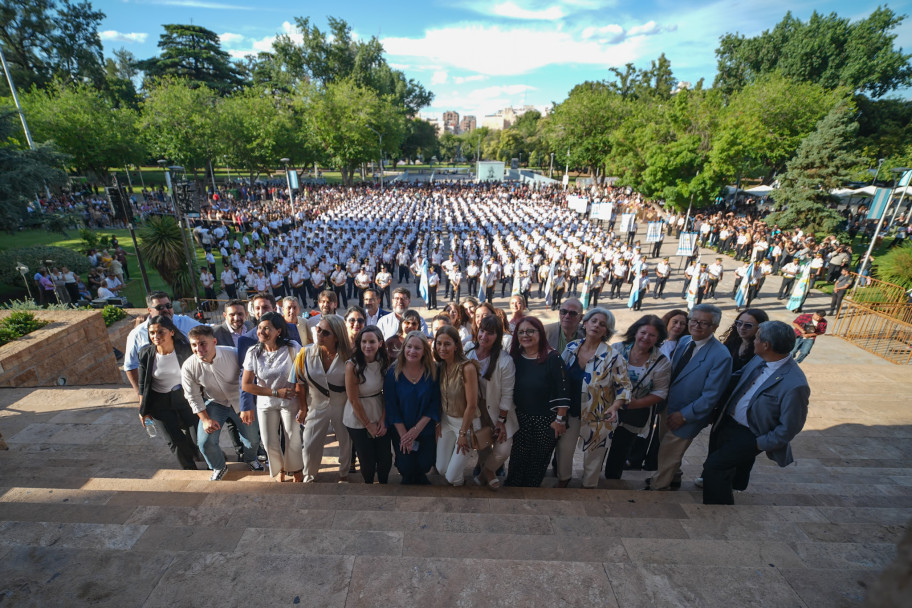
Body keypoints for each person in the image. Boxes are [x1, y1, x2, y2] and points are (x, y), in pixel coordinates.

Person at [703, 321, 810, 505]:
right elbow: (738, 378)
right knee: (724, 467)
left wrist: (760, 444)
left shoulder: (795, 384)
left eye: (757, 338)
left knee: (714, 466)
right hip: (728, 423)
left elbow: (790, 426)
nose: (754, 341)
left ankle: (718, 510)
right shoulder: (760, 358)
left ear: (766, 345)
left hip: (751, 435)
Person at [648, 303, 732, 491]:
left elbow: (711, 396)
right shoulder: (685, 341)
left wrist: (684, 415)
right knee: (666, 448)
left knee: (669, 452)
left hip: (688, 414)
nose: (697, 325)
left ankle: (658, 487)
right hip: (667, 406)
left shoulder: (720, 356)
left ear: (715, 327)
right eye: (694, 320)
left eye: (704, 323)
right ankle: (674, 477)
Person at [555, 308, 632, 488]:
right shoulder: (571, 347)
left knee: (594, 458)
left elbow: (624, 387)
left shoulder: (614, 357)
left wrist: (615, 407)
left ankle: (588, 487)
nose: (597, 325)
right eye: (594, 321)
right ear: (585, 323)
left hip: (599, 417)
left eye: (602, 324)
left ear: (607, 331)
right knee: (564, 451)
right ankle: (563, 480)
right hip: (571, 413)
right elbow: (559, 377)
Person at [182, 325, 263, 481]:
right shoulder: (188, 366)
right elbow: (192, 395)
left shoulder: (233, 354)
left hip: (240, 402)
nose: (198, 349)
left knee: (253, 439)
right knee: (205, 442)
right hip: (215, 403)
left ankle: (250, 459)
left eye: (202, 343)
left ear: (214, 342)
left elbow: (250, 378)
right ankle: (219, 466)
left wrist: (249, 405)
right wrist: (205, 419)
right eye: (193, 345)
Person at [504, 316, 570, 488]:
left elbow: (563, 390)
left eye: (530, 331)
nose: (526, 335)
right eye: (521, 332)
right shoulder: (516, 358)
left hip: (546, 421)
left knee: (537, 460)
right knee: (518, 458)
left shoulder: (553, 358)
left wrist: (560, 420)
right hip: (521, 418)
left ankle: (531, 492)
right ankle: (513, 491)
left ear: (540, 333)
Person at [604, 315, 671, 479]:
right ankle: (591, 480)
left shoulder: (661, 362)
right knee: (598, 447)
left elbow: (661, 392)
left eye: (652, 335)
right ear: (635, 332)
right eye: (643, 332)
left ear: (658, 338)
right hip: (607, 409)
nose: (646, 338)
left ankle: (612, 483)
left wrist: (636, 403)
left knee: (620, 451)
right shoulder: (617, 348)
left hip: (633, 413)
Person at [241, 312, 303, 482]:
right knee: (269, 440)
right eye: (259, 328)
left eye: (267, 328)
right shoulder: (253, 352)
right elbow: (246, 384)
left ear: (279, 331)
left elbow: (301, 376)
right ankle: (280, 469)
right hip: (266, 402)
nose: (261, 331)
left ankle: (296, 470)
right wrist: (275, 392)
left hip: (290, 401)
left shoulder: (292, 347)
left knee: (293, 437)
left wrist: (303, 405)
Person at [291, 314, 352, 483]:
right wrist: (303, 408)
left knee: (345, 442)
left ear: (337, 337)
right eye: (318, 329)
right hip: (316, 406)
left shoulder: (349, 356)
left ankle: (344, 474)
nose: (319, 334)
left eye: (326, 333)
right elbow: (299, 383)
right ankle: (309, 476)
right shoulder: (304, 353)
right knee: (309, 444)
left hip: (342, 405)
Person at [137, 315, 201, 470]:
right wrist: (142, 410)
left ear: (171, 332)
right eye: (152, 333)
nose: (156, 336)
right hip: (160, 402)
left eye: (160, 332)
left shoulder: (185, 350)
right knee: (175, 440)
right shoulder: (146, 354)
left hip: (186, 399)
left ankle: (209, 460)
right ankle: (189, 469)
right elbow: (142, 385)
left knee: (198, 437)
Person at [384, 331, 440, 485]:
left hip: (424, 428)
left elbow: (434, 402)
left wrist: (416, 430)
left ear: (424, 352)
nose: (412, 351)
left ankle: (419, 473)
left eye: (417, 348)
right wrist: (405, 435)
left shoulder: (433, 371)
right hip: (401, 427)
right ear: (404, 348)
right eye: (409, 346)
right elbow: (391, 405)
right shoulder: (393, 372)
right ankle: (407, 471)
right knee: (406, 468)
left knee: (426, 463)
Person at [467, 314, 516, 489]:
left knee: (503, 450)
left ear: (498, 337)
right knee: (482, 443)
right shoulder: (468, 350)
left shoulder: (505, 360)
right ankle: (487, 472)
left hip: (497, 408)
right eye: (482, 331)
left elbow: (508, 394)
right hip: (474, 408)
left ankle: (486, 472)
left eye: (490, 333)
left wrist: (501, 421)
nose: (484, 336)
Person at [124, 292, 202, 395]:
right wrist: (141, 395)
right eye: (159, 307)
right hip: (158, 393)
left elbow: (208, 330)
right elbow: (130, 366)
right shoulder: (137, 335)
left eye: (168, 306)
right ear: (149, 310)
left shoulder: (185, 322)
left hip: (190, 388)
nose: (165, 309)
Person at [344, 326, 393, 484]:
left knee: (385, 458)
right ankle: (369, 487)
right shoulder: (352, 366)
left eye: (372, 341)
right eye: (364, 342)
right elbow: (353, 400)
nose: (367, 346)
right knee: (367, 461)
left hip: (379, 410)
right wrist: (367, 424)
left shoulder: (383, 362)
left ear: (379, 343)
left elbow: (388, 393)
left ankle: (384, 487)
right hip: (358, 416)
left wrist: (383, 420)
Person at [433, 325, 480, 487]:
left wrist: (463, 433)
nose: (442, 348)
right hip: (446, 421)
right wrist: (438, 421)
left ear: (456, 345)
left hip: (466, 423)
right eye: (439, 343)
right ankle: (458, 481)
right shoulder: (440, 366)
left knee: (451, 477)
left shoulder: (467, 368)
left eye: (447, 344)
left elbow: (472, 405)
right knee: (440, 468)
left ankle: (458, 484)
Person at [720, 309, 770, 373]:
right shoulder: (732, 341)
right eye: (739, 323)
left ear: (760, 328)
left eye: (748, 325)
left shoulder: (760, 352)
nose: (742, 327)